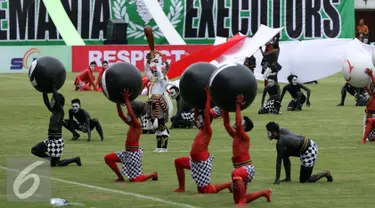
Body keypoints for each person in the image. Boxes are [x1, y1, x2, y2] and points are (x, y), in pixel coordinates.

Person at [172, 87, 232, 193]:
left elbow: (206, 116)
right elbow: (196, 116)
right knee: (178, 162)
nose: (197, 121)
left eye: (200, 120)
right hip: (194, 161)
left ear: (205, 121)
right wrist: (197, 106)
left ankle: (228, 185)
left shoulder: (207, 130)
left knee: (205, 190)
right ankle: (181, 188)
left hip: (202, 164)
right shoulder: (201, 129)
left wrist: (208, 98)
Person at [223, 96, 272, 206]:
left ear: (244, 127)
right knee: (238, 198)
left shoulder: (244, 137)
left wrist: (238, 106)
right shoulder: (235, 135)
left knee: (235, 174)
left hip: (246, 169)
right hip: (239, 169)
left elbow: (238, 124)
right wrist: (225, 107)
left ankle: (242, 203)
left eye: (241, 123)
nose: (237, 124)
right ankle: (265, 192)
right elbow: (226, 124)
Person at [104, 89, 158, 182]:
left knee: (135, 180)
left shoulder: (137, 125)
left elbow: (132, 114)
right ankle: (120, 177)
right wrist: (117, 102)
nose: (128, 114)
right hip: (126, 153)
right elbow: (120, 115)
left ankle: (153, 174)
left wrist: (127, 100)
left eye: (129, 113)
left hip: (133, 155)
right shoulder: (131, 124)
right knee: (108, 158)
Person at [31, 83, 82, 167]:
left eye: (53, 99)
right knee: (34, 150)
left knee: (56, 164)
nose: (51, 101)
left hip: (56, 141)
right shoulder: (54, 110)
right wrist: (44, 90)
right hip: (50, 139)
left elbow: (57, 100)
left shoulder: (60, 111)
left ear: (57, 101)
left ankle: (75, 159)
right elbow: (46, 102)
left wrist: (53, 87)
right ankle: (51, 159)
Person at [266, 122, 333, 184]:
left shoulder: (281, 142)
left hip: (309, 151)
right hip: (307, 144)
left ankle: (326, 173)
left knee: (304, 180)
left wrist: (277, 179)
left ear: (274, 133)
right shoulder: (283, 130)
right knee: (284, 153)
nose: (268, 135)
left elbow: (278, 161)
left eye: (269, 133)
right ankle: (288, 178)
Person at [144, 51, 172, 152]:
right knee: (155, 127)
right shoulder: (154, 79)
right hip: (152, 103)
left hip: (159, 102)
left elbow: (159, 73)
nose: (157, 70)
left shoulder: (164, 79)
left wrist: (157, 61)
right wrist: (148, 61)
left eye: (162, 68)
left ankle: (164, 148)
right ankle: (159, 147)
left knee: (161, 126)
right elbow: (147, 71)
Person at [361, 69, 375, 144]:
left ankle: (363, 139)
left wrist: (371, 74)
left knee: (370, 121)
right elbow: (369, 91)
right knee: (370, 138)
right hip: (369, 115)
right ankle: (365, 138)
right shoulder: (371, 94)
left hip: (372, 117)